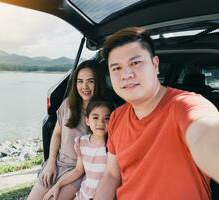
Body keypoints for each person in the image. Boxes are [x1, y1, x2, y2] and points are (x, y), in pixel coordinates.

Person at [94, 27, 219, 200]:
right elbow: (111, 175)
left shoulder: (185, 106)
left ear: (155, 64)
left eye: (135, 63)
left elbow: (207, 135)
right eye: (116, 68)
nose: (126, 75)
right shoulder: (116, 117)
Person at [27, 60, 105, 200]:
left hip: (78, 172)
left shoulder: (102, 114)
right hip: (57, 164)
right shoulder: (68, 104)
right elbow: (57, 134)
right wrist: (51, 162)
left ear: (98, 83)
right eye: (80, 81)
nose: (84, 86)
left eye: (90, 81)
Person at [43, 97, 114, 200]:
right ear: (87, 121)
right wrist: (57, 186)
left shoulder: (113, 145)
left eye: (106, 118)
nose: (101, 122)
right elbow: (78, 170)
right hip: (83, 195)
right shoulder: (82, 142)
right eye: (95, 117)